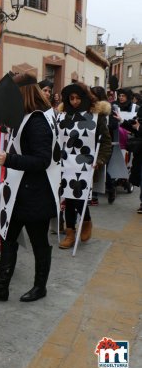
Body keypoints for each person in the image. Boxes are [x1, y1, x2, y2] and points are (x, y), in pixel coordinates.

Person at [0, 73, 60, 302]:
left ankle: (40, 287)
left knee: (39, 242)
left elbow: (43, 160)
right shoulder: (25, 117)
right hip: (19, 192)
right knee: (8, 238)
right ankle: (1, 288)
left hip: (36, 193)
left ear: (23, 93)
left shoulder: (38, 121)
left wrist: (9, 159)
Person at [57, 83, 111, 249]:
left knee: (78, 196)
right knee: (68, 196)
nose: (74, 102)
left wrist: (100, 160)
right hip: (65, 162)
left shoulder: (96, 115)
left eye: (78, 98)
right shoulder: (62, 115)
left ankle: (85, 221)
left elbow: (106, 141)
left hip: (86, 162)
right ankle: (70, 232)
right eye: (71, 98)